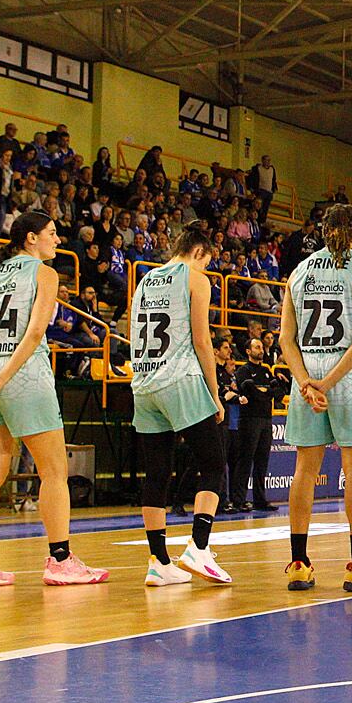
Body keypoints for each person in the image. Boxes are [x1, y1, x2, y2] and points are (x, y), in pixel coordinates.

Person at [0, 209, 107, 587]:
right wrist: (4, 377)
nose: (57, 240)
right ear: (30, 238)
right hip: (21, 376)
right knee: (55, 471)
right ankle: (60, 559)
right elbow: (37, 330)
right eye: (52, 233)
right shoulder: (44, 273)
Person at [279, 203, 352, 592]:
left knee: (304, 471)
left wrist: (307, 382)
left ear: (322, 231)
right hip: (347, 373)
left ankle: (298, 562)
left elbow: (284, 339)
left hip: (306, 374)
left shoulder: (298, 272)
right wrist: (327, 384)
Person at [127, 220, 233, 587]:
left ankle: (158, 562)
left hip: (143, 381)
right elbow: (203, 341)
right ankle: (199, 548)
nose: (206, 268)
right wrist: (215, 393)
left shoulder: (144, 279)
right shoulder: (194, 278)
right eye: (207, 261)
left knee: (157, 473)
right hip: (179, 379)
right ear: (199, 253)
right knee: (214, 464)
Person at [223, 332, 284, 512]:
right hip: (249, 420)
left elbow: (279, 393)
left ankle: (260, 499)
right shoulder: (244, 371)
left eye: (260, 347)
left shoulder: (266, 370)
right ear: (249, 351)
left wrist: (262, 392)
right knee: (245, 460)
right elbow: (250, 393)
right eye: (256, 347)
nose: (260, 350)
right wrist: (265, 393)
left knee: (262, 461)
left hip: (266, 420)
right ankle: (239, 499)